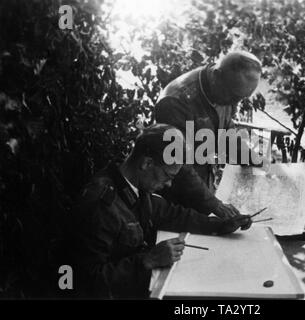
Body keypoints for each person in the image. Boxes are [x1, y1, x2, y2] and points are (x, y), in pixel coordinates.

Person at [70, 124, 252, 299]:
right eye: (167, 175)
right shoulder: (101, 205)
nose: (169, 184)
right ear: (147, 163)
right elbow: (83, 281)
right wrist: (147, 261)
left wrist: (221, 225)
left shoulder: (133, 186)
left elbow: (174, 215)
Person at [155, 50, 263, 219]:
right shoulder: (175, 102)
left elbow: (226, 131)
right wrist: (214, 204)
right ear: (217, 76)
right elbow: (178, 165)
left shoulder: (225, 87)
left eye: (241, 99)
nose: (235, 106)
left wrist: (253, 159)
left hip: (202, 187)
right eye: (234, 97)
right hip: (174, 198)